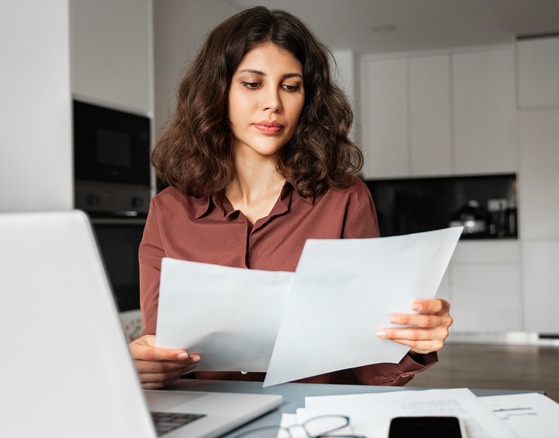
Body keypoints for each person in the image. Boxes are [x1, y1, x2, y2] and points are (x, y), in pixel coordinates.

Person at [129, 6, 454, 390]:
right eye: (252, 84)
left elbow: (369, 365)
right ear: (219, 92)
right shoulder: (168, 210)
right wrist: (145, 364)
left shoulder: (345, 200)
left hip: (314, 415)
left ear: (307, 99)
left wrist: (413, 342)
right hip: (203, 414)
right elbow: (160, 347)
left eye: (290, 86)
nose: (274, 104)